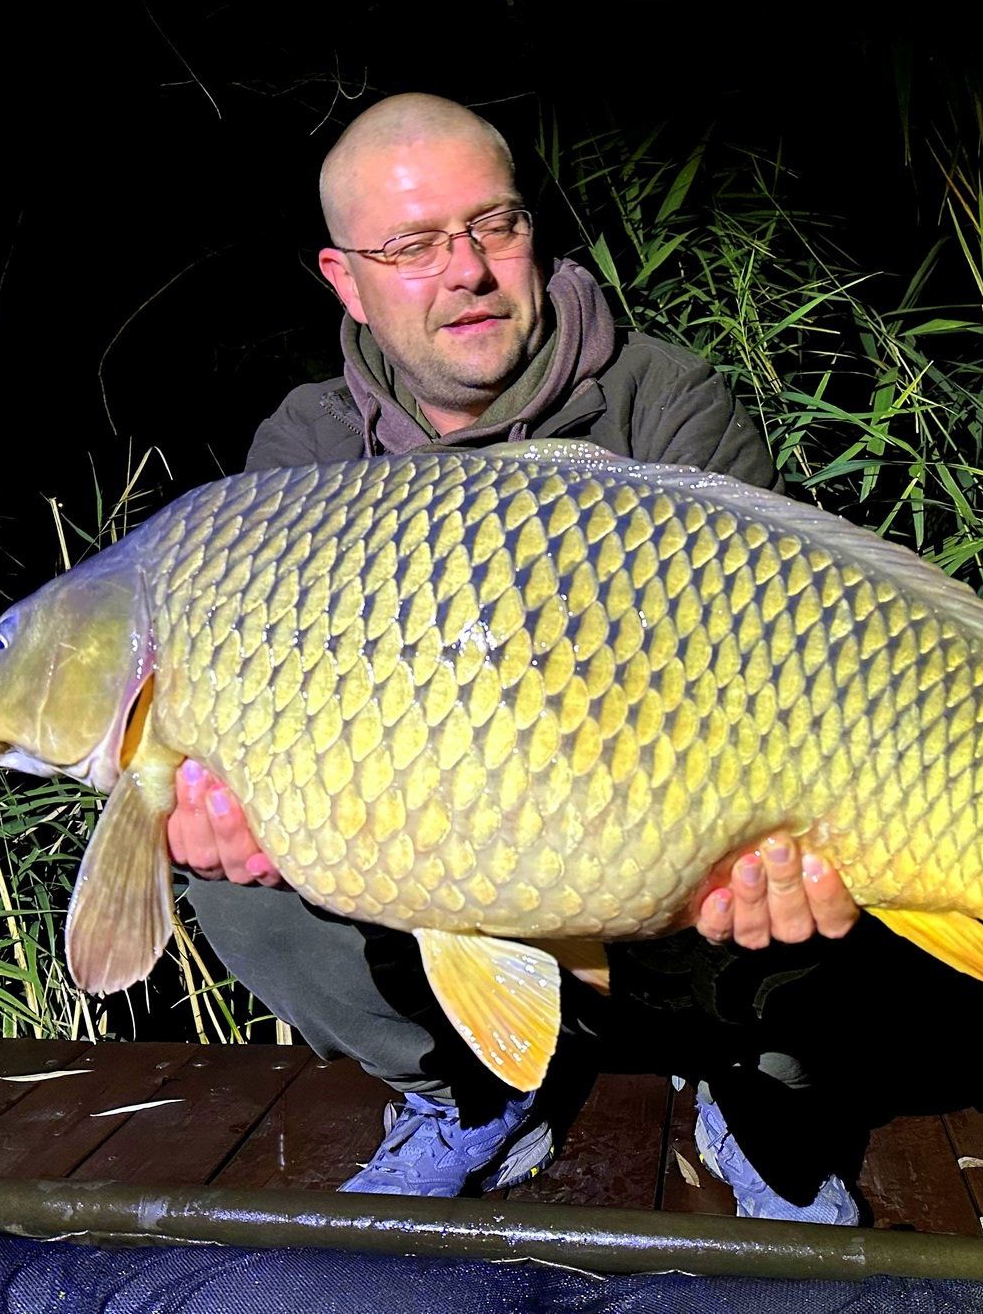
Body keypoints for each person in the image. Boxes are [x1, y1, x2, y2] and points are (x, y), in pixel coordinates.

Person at [169, 93, 865, 1220]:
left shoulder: (661, 401)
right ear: (345, 279)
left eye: (493, 226)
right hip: (433, 863)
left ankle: (755, 1091)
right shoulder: (303, 452)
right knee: (217, 842)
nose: (469, 272)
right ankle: (466, 1087)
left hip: (657, 847)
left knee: (807, 840)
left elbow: (766, 680)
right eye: (412, 245)